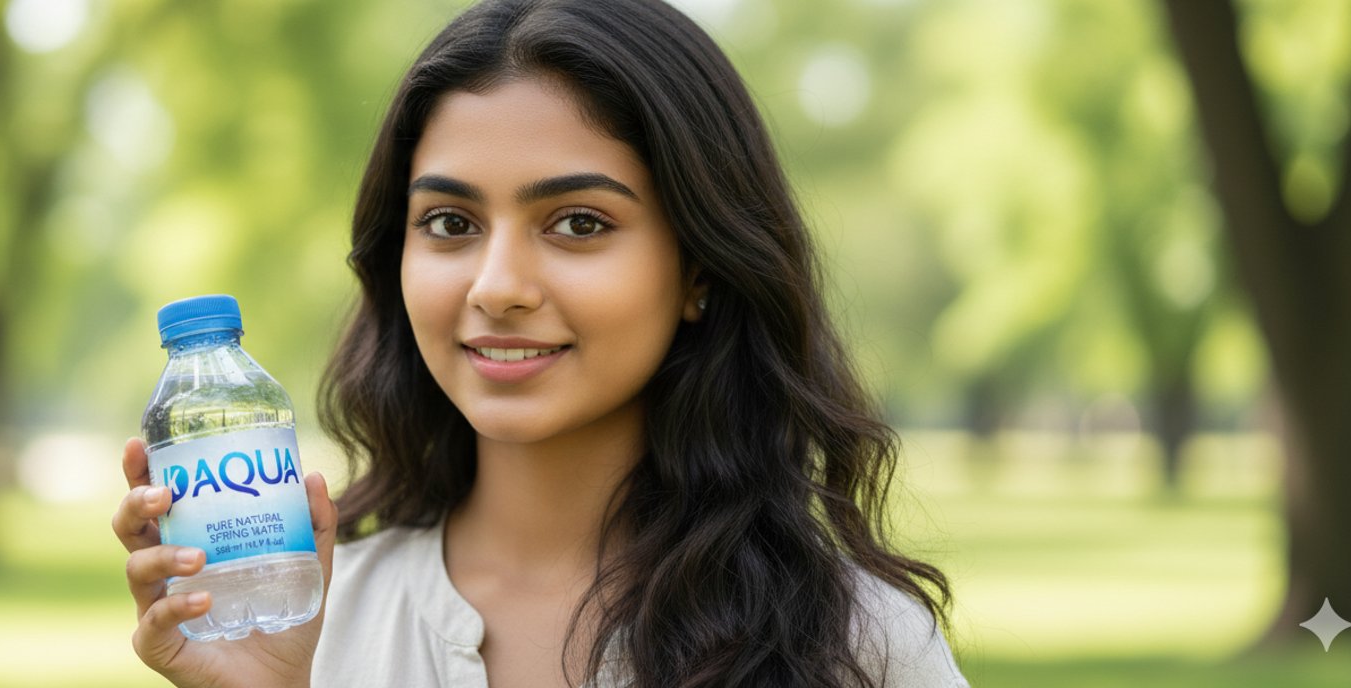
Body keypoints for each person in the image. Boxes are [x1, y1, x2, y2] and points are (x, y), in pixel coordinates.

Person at [115, 0, 968, 685]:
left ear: (702, 268)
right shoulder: (317, 621)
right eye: (450, 222)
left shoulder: (854, 643)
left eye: (578, 223)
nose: (496, 286)